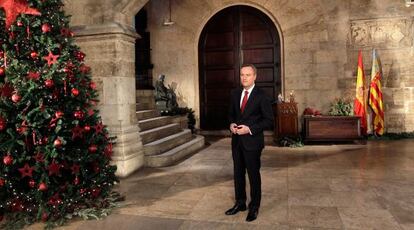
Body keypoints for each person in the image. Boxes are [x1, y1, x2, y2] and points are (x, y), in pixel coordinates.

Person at [226, 64, 274, 222]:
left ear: (255, 76)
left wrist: (250, 129)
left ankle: (254, 207)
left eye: (248, 75)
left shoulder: (262, 96)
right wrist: (232, 124)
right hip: (237, 142)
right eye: (242, 75)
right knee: (238, 174)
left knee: (253, 175)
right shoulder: (235, 93)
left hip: (252, 142)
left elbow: (269, 121)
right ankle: (240, 203)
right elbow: (231, 115)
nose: (244, 78)